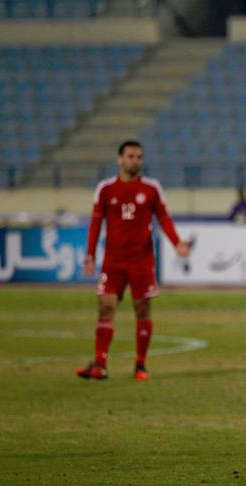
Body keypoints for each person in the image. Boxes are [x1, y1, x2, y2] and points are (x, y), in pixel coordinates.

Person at [76, 140, 190, 381]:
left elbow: (163, 218)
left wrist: (177, 242)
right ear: (119, 159)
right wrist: (90, 255)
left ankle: (140, 365)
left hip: (142, 262)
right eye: (130, 156)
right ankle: (100, 364)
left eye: (139, 157)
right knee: (106, 308)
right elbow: (96, 224)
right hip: (113, 262)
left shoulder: (151, 188)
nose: (135, 161)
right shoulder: (105, 189)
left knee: (142, 309)